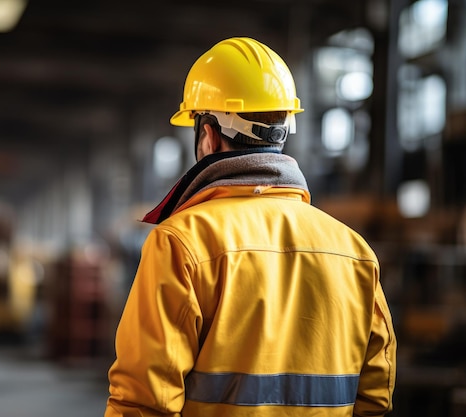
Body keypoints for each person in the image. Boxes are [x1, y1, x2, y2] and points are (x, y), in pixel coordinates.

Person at [105, 37, 396, 417]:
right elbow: (375, 398)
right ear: (284, 129)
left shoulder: (181, 243)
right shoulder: (354, 251)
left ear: (207, 134)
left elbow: (144, 402)